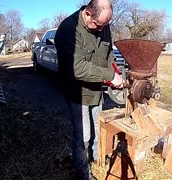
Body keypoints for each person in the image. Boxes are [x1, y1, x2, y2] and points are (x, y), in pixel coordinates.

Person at [54, 0, 124, 179]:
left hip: (95, 89)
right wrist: (109, 75)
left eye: (105, 26)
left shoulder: (102, 26)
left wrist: (115, 71)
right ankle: (83, 173)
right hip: (77, 93)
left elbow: (108, 52)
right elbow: (77, 68)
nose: (101, 30)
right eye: (98, 25)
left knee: (97, 129)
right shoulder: (68, 30)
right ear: (87, 14)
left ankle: (95, 158)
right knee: (83, 136)